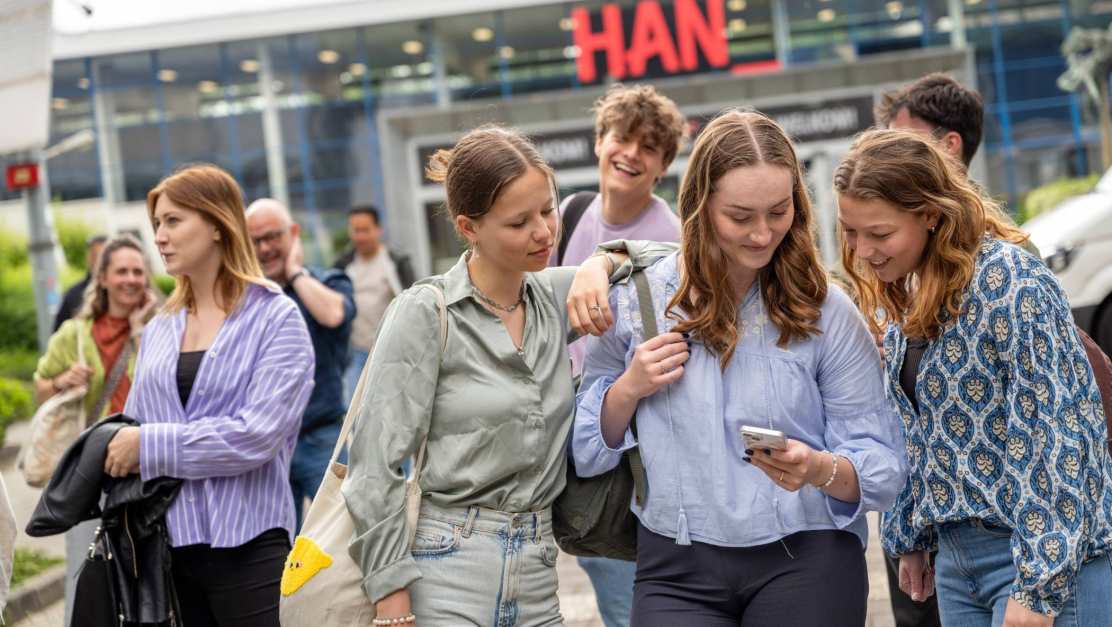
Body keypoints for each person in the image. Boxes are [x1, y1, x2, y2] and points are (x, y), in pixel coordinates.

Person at [573, 110, 907, 626]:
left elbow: (882, 466)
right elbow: (586, 452)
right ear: (700, 206)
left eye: (778, 212)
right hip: (674, 564)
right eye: (740, 216)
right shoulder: (638, 297)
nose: (761, 234)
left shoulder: (828, 311)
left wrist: (818, 468)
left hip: (809, 555)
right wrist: (627, 390)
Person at [343, 125, 672, 626]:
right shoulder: (427, 313)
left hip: (540, 571)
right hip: (445, 566)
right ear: (468, 227)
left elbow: (673, 257)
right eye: (519, 223)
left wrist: (602, 262)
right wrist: (391, 595)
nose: (543, 232)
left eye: (547, 210)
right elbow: (374, 466)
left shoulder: (554, 298)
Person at [836, 129, 1112, 627]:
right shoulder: (908, 288)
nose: (862, 251)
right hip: (957, 563)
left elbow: (1059, 434)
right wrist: (911, 537)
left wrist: (1038, 586)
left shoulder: (1010, 280)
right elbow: (918, 429)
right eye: (851, 232)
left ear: (931, 215)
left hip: (1038, 557)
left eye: (879, 234)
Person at [102, 164, 315, 627]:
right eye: (156, 223)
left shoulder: (276, 319)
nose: (159, 235)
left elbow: (255, 436)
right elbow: (137, 422)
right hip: (166, 550)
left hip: (250, 546)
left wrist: (150, 447)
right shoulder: (159, 328)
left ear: (218, 224)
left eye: (174, 221)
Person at [548, 82, 686, 627]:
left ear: (661, 167)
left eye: (647, 147)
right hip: (564, 413)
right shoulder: (571, 212)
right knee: (590, 555)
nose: (629, 153)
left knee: (626, 583)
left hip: (631, 433)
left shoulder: (671, 238)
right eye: (620, 139)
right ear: (599, 142)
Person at [33, 234, 158, 627]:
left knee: (150, 574)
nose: (131, 279)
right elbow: (40, 386)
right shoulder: (76, 333)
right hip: (91, 472)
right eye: (121, 270)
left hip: (146, 468)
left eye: (138, 271)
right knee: (86, 569)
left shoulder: (165, 327)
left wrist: (140, 332)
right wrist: (63, 381)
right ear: (102, 277)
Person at [246, 198, 355, 528]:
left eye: (273, 237)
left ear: (293, 234)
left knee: (343, 537)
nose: (265, 248)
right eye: (256, 241)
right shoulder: (247, 298)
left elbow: (333, 314)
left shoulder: (330, 281)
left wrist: (294, 274)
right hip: (268, 448)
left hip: (321, 439)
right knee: (274, 551)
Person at [332, 205, 415, 405]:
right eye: (355, 230)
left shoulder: (395, 262)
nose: (360, 237)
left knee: (395, 405)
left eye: (365, 230)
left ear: (378, 230)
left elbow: (413, 302)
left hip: (392, 351)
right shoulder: (342, 266)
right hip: (355, 352)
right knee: (355, 410)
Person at [53, 233, 107, 331]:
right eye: (95, 256)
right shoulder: (73, 294)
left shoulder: (123, 291)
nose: (99, 262)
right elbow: (58, 333)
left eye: (103, 257)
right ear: (88, 258)